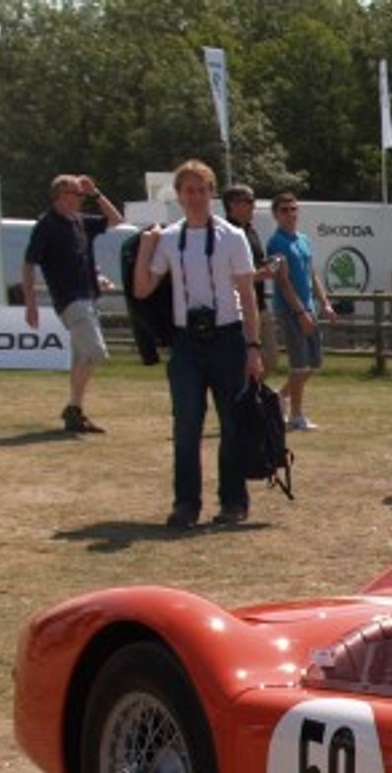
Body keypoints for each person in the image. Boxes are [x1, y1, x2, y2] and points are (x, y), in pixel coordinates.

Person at [133, 158, 263, 528]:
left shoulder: (232, 237)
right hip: (187, 341)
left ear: (212, 193)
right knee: (186, 424)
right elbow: (143, 288)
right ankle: (186, 504)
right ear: (178, 195)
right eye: (188, 191)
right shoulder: (170, 238)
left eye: (202, 190)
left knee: (232, 423)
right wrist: (147, 246)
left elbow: (248, 294)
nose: (195, 197)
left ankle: (233, 502)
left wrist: (253, 348)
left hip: (227, 338)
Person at [21, 173, 124, 434]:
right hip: (70, 299)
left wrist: (96, 193)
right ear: (59, 196)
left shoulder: (79, 222)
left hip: (87, 295)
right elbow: (28, 264)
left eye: (80, 194)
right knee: (95, 351)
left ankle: (74, 410)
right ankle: (73, 409)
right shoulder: (47, 225)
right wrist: (31, 303)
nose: (80, 199)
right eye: (76, 194)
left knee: (82, 356)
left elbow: (116, 220)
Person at [265, 193, 334, 431]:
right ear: (275, 214)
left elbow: (312, 273)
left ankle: (279, 396)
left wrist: (324, 302)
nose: (290, 214)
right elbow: (283, 282)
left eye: (293, 209)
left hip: (309, 308)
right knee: (300, 365)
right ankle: (295, 415)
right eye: (284, 210)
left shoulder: (304, 239)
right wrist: (300, 312)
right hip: (290, 310)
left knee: (314, 363)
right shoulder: (276, 243)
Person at [221, 184, 278, 366]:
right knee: (245, 362)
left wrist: (269, 264)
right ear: (232, 204)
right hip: (238, 309)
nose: (253, 206)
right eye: (249, 201)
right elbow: (225, 275)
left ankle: (253, 393)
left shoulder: (251, 231)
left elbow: (255, 263)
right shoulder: (225, 234)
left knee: (270, 358)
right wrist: (258, 275)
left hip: (259, 304)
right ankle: (246, 393)